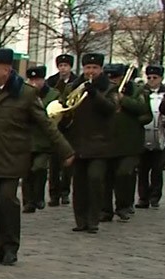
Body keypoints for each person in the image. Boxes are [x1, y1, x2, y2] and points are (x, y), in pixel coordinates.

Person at [0, 48, 73, 265]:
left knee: (7, 200)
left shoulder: (25, 93)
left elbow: (46, 125)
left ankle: (11, 246)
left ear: (7, 69)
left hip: (12, 157)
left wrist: (66, 150)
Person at [62, 53, 119, 234]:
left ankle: (93, 220)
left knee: (95, 179)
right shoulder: (74, 86)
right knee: (79, 184)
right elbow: (65, 107)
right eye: (87, 68)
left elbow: (110, 109)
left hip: (100, 144)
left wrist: (95, 94)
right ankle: (80, 220)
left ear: (101, 69)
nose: (90, 71)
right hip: (78, 142)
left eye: (94, 68)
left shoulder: (109, 88)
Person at [101, 64, 149, 222]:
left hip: (130, 143)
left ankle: (123, 206)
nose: (112, 80)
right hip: (108, 141)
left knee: (124, 173)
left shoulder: (137, 90)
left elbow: (143, 110)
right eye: (108, 77)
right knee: (106, 177)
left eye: (115, 77)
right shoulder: (104, 90)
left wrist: (124, 100)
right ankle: (105, 210)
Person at [21, 66, 59, 213]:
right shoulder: (23, 94)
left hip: (43, 140)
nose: (34, 82)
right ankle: (28, 202)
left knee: (39, 168)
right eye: (31, 79)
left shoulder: (53, 94)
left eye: (37, 79)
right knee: (26, 172)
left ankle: (38, 197)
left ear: (44, 80)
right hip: (26, 138)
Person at [47, 54, 77, 206]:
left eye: (66, 65)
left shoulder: (76, 81)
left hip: (69, 126)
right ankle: (53, 194)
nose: (63, 68)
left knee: (67, 162)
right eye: (60, 65)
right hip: (54, 126)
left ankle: (65, 192)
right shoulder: (52, 81)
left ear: (70, 67)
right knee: (53, 164)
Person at [137, 65, 165, 208]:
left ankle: (155, 195)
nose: (152, 80)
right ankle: (143, 197)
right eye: (149, 78)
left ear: (161, 78)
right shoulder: (141, 92)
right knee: (142, 169)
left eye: (155, 78)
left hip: (160, 136)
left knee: (157, 168)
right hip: (143, 136)